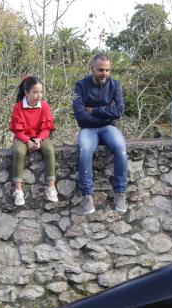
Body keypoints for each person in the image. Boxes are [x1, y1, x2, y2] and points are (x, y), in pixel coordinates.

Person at [73, 53, 128, 215]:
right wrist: (105, 113)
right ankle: (87, 195)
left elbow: (118, 111)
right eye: (100, 70)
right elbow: (79, 114)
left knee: (121, 148)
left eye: (107, 70)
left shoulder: (115, 85)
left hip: (108, 128)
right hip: (88, 129)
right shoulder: (80, 85)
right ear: (92, 69)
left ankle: (120, 192)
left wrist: (94, 110)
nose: (104, 73)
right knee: (84, 151)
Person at [8, 76, 57, 206]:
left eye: (40, 92)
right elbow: (17, 131)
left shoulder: (44, 106)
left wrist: (39, 140)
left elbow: (47, 128)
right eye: (35, 92)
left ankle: (51, 187)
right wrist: (28, 141)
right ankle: (18, 190)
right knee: (18, 151)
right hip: (23, 137)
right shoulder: (18, 107)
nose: (38, 95)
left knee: (49, 150)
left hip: (40, 136)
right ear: (26, 92)